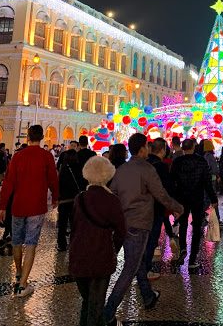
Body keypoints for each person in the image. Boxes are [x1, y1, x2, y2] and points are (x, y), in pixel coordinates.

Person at [104, 133, 183, 325]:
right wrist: (177, 207)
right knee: (130, 268)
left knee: (136, 261)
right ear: (141, 149)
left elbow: (112, 194)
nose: (149, 149)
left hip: (122, 223)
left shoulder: (122, 169)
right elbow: (160, 194)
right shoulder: (147, 169)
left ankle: (147, 295)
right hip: (139, 224)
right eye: (147, 147)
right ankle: (108, 311)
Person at [0, 125, 59, 297]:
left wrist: (3, 206)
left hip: (18, 205)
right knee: (31, 243)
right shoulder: (46, 156)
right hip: (36, 207)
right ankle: (23, 284)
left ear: (28, 138)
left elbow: (8, 183)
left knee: (17, 241)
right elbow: (53, 180)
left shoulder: (18, 156)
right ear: (41, 138)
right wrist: (55, 197)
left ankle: (18, 272)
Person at [69, 155, 126, 326]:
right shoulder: (112, 201)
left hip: (79, 257)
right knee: (96, 304)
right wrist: (113, 249)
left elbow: (74, 227)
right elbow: (121, 232)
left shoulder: (80, 199)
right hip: (101, 257)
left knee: (88, 301)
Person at [170, 138, 218, 270]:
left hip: (182, 198)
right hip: (197, 198)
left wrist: (173, 199)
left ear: (183, 148)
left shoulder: (177, 162)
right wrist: (213, 198)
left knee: (183, 225)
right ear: (193, 147)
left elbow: (172, 181)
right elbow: (207, 182)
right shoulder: (201, 161)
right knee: (197, 227)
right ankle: (192, 259)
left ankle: (183, 248)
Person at [144, 138, 177, 278]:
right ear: (163, 150)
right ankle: (146, 269)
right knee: (152, 239)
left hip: (142, 206)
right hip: (156, 207)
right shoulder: (161, 166)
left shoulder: (144, 163)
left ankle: (139, 267)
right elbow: (165, 189)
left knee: (144, 238)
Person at [57, 149, 83, 251]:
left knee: (62, 224)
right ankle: (75, 243)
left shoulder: (63, 169)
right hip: (75, 199)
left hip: (64, 200)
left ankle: (62, 244)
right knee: (75, 223)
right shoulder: (79, 168)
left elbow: (60, 184)